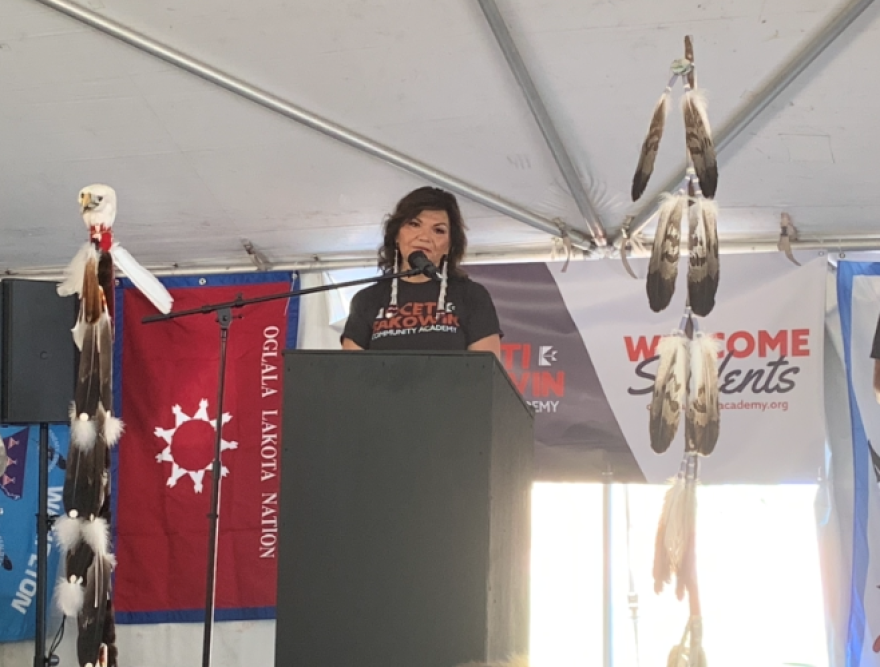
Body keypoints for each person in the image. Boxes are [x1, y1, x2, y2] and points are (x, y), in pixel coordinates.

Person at [341, 186, 502, 358]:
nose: (424, 237)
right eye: (414, 224)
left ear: (450, 245)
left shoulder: (471, 295)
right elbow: (350, 375)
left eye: (438, 230)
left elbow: (486, 374)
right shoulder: (367, 299)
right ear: (396, 235)